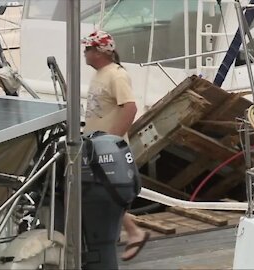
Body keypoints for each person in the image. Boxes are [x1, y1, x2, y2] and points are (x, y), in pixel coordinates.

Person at [81, 30, 150, 262]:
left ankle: (134, 232)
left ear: (99, 52)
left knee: (108, 193)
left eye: (88, 49)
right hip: (95, 148)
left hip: (105, 150)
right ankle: (117, 235)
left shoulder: (116, 75)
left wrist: (111, 143)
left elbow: (130, 107)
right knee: (102, 192)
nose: (84, 53)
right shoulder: (100, 74)